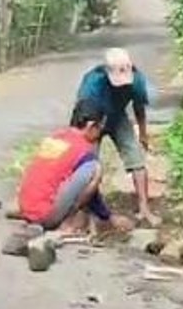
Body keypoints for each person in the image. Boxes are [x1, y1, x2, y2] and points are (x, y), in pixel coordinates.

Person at [17, 98, 133, 235]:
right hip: (45, 216)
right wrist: (108, 217)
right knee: (95, 169)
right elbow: (92, 193)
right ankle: (67, 221)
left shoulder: (57, 136)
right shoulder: (84, 149)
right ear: (91, 126)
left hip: (26, 208)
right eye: (100, 127)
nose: (100, 133)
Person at [76, 47, 159, 226]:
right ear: (106, 72)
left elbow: (138, 107)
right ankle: (86, 210)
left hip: (118, 116)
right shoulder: (92, 82)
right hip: (92, 119)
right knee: (87, 164)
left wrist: (143, 133)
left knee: (136, 157)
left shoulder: (137, 80)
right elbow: (82, 115)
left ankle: (144, 208)